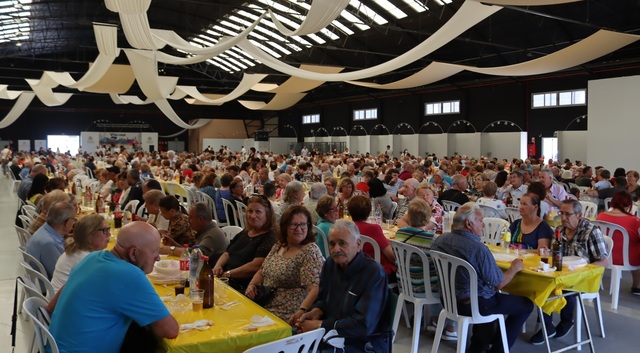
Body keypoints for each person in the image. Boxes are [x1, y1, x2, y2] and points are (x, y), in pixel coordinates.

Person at [47, 222, 179, 353]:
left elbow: (51, 306)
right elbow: (170, 331)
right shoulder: (129, 275)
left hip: (53, 347)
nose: (158, 258)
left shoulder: (91, 257)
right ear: (133, 253)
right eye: (155, 251)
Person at [431, 202, 533, 353]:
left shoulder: (440, 240)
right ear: (469, 224)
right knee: (526, 304)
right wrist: (514, 268)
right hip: (474, 305)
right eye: (480, 220)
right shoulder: (478, 249)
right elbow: (498, 284)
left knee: (482, 292)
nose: (483, 225)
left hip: (448, 300)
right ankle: (498, 349)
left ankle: (479, 347)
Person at [295, 219, 390, 352]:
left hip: (360, 342)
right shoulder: (330, 264)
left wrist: (320, 325)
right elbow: (322, 299)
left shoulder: (374, 274)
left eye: (342, 243)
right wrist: (316, 312)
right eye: (332, 244)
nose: (336, 249)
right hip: (332, 333)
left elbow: (363, 325)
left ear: (358, 245)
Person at [531, 199, 609, 345]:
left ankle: (567, 321)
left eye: (568, 214)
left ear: (579, 215)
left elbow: (604, 261)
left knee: (566, 289)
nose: (563, 217)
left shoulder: (591, 232)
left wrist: (585, 271)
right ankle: (547, 326)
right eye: (562, 213)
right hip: (562, 274)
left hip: (583, 277)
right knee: (541, 284)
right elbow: (555, 253)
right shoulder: (560, 230)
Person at [245, 206, 324, 324]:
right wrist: (252, 285)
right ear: (285, 227)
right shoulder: (279, 246)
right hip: (264, 302)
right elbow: (262, 271)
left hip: (286, 313)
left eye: (303, 224)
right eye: (294, 224)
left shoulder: (310, 251)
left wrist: (302, 310)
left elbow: (314, 289)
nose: (299, 229)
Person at [394, 198, 458, 339]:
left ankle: (436, 319)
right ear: (429, 218)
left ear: (408, 216)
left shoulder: (400, 234)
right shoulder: (432, 240)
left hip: (404, 284)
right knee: (451, 281)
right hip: (424, 287)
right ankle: (451, 327)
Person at [213, 195, 277, 290]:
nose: (252, 216)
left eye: (258, 212)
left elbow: (255, 266)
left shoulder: (270, 237)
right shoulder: (246, 232)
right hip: (226, 278)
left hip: (242, 286)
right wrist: (217, 267)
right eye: (250, 211)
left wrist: (228, 274)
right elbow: (227, 253)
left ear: (267, 214)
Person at [50, 214, 111, 292]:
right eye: (104, 230)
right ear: (90, 235)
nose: (109, 234)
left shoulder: (76, 249)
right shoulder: (86, 259)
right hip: (63, 302)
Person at [596, 191, 640, 295]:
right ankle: (637, 285)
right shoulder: (634, 220)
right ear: (629, 205)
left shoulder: (601, 216)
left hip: (604, 256)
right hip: (627, 259)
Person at [161, 202, 229, 265]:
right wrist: (173, 244)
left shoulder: (212, 235)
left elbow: (196, 255)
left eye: (190, 218)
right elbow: (190, 252)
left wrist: (171, 249)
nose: (188, 221)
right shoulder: (205, 230)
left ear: (201, 219)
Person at [348, 194, 397, 279]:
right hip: (377, 271)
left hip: (355, 268)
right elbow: (391, 257)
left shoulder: (347, 227)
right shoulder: (373, 229)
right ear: (369, 211)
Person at [25, 201, 77, 279]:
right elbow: (63, 274)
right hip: (48, 288)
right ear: (67, 222)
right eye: (74, 219)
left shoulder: (46, 231)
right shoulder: (48, 243)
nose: (74, 223)